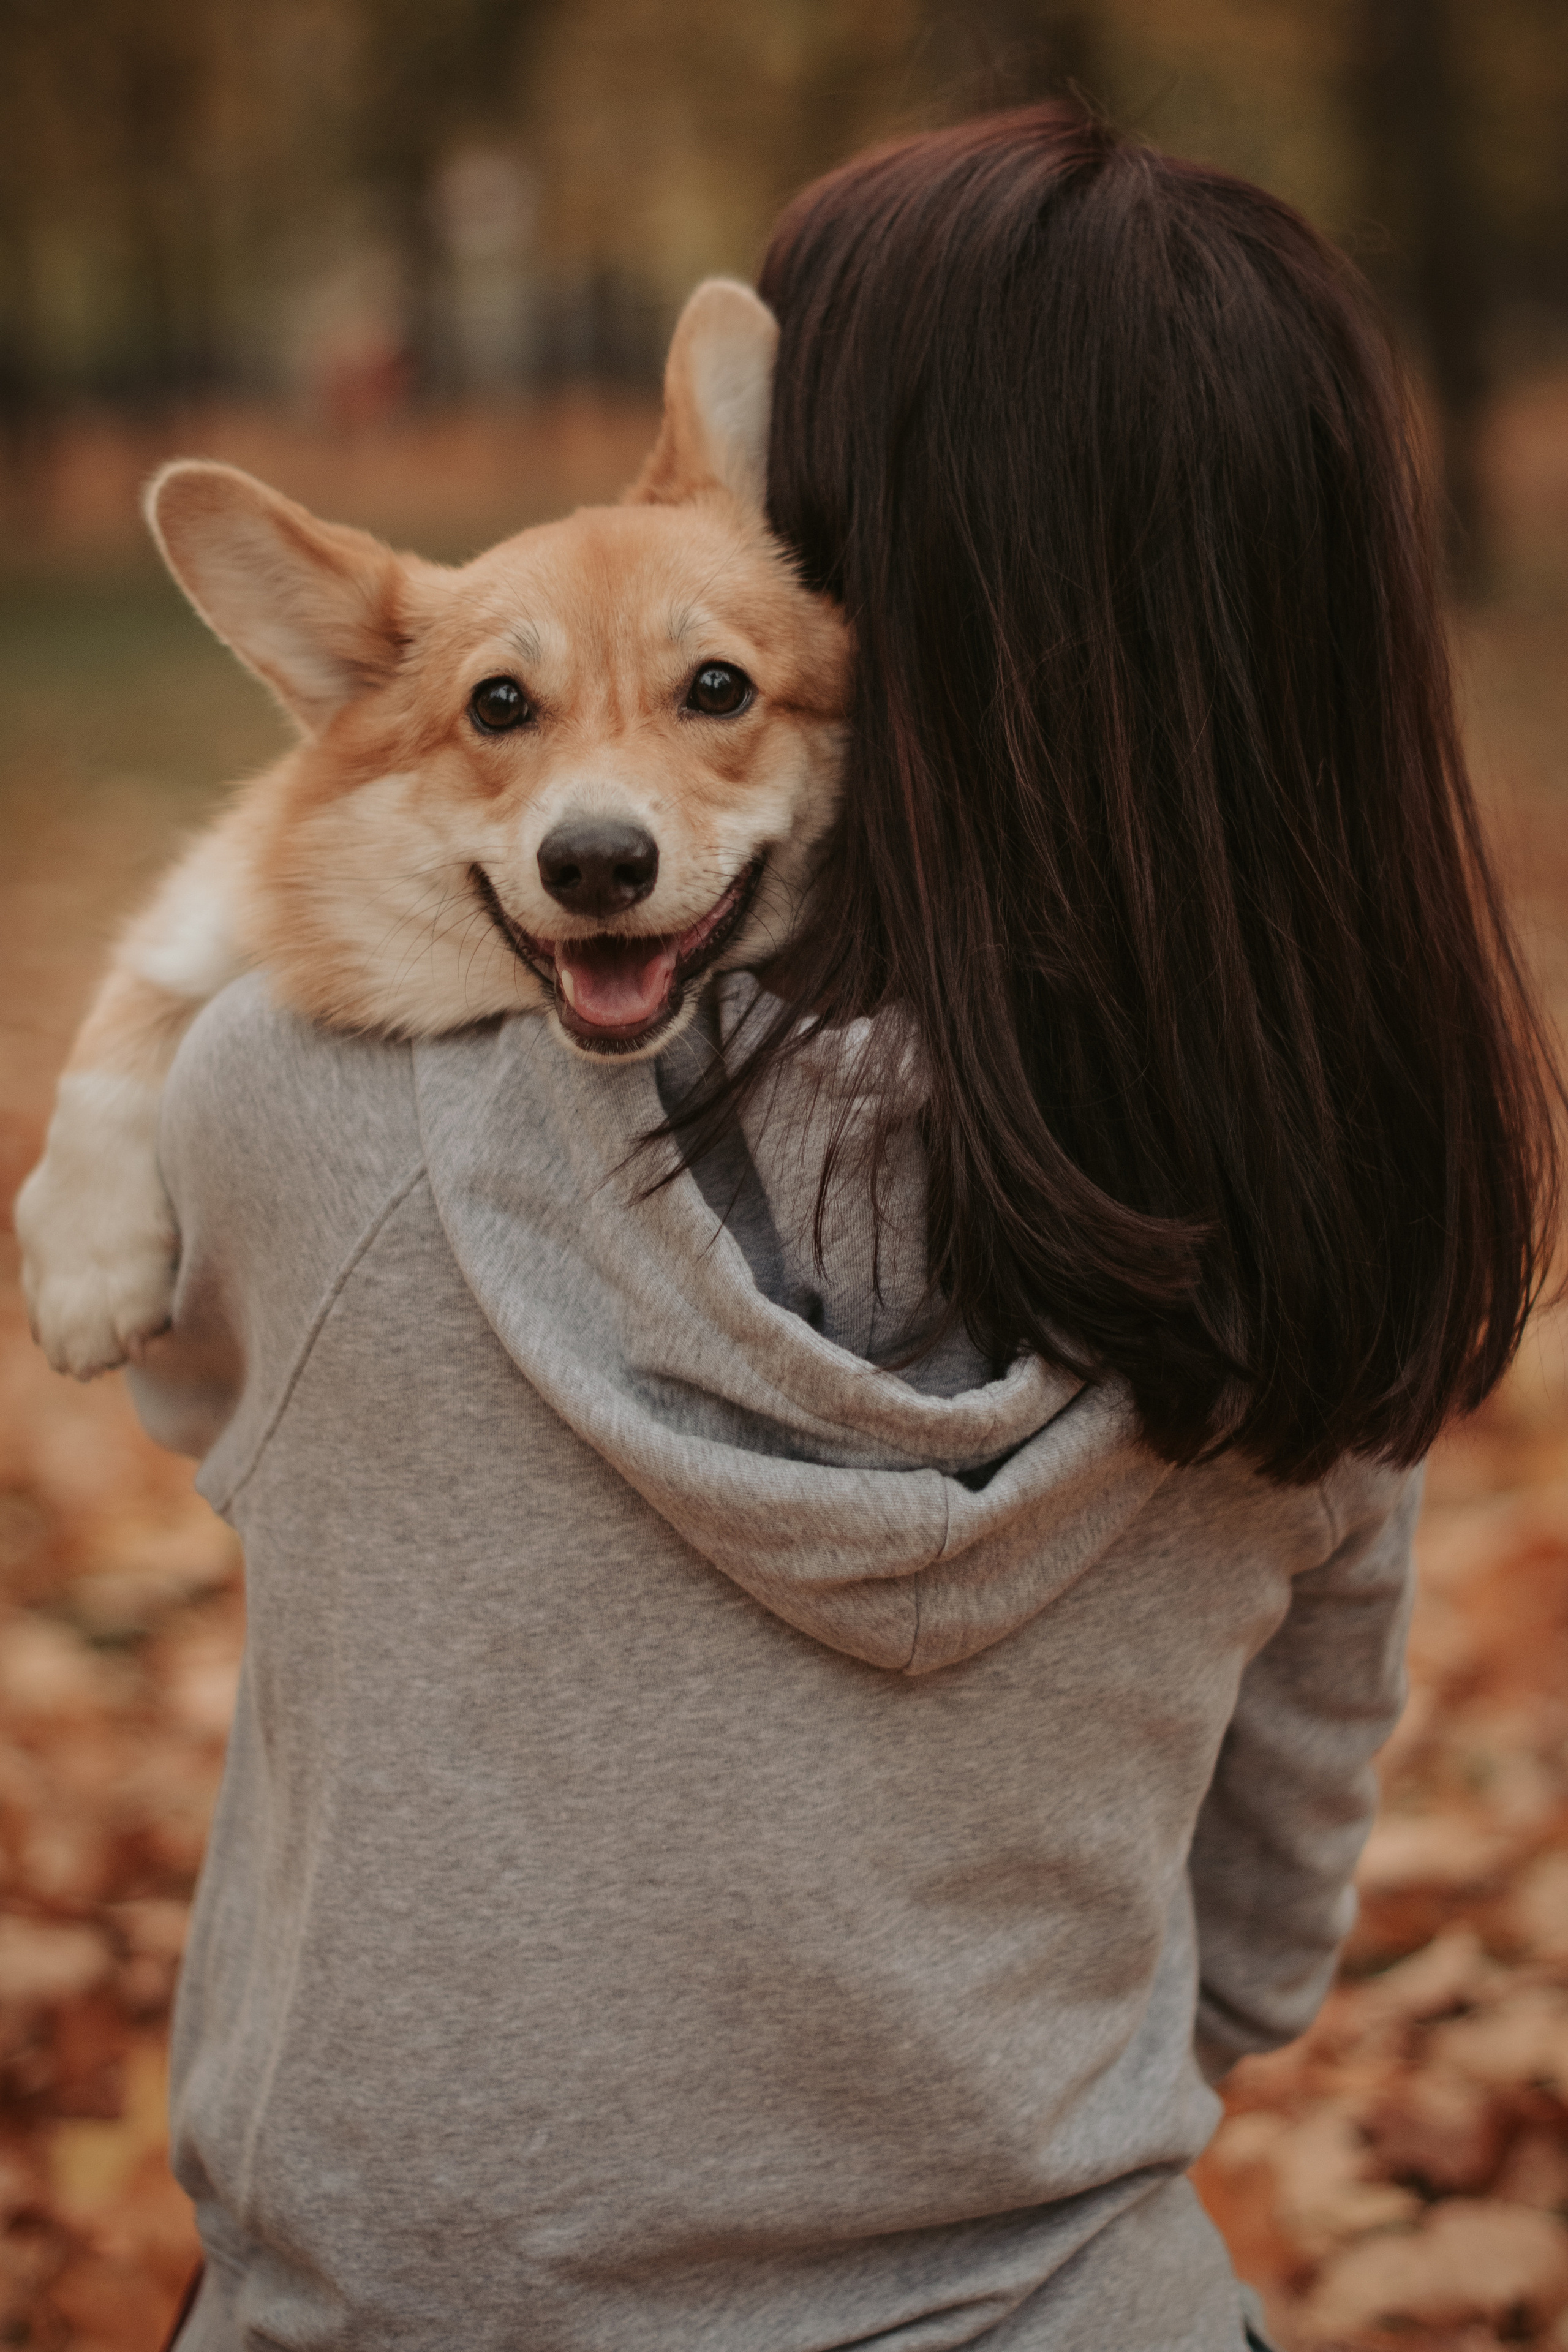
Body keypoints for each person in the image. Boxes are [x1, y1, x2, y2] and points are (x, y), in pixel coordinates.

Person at [131, 106, 1560, 2352]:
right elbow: (1270, 1923)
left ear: (846, 573)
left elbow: (201, 1388)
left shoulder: (304, 1120)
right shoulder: (1317, 1183)